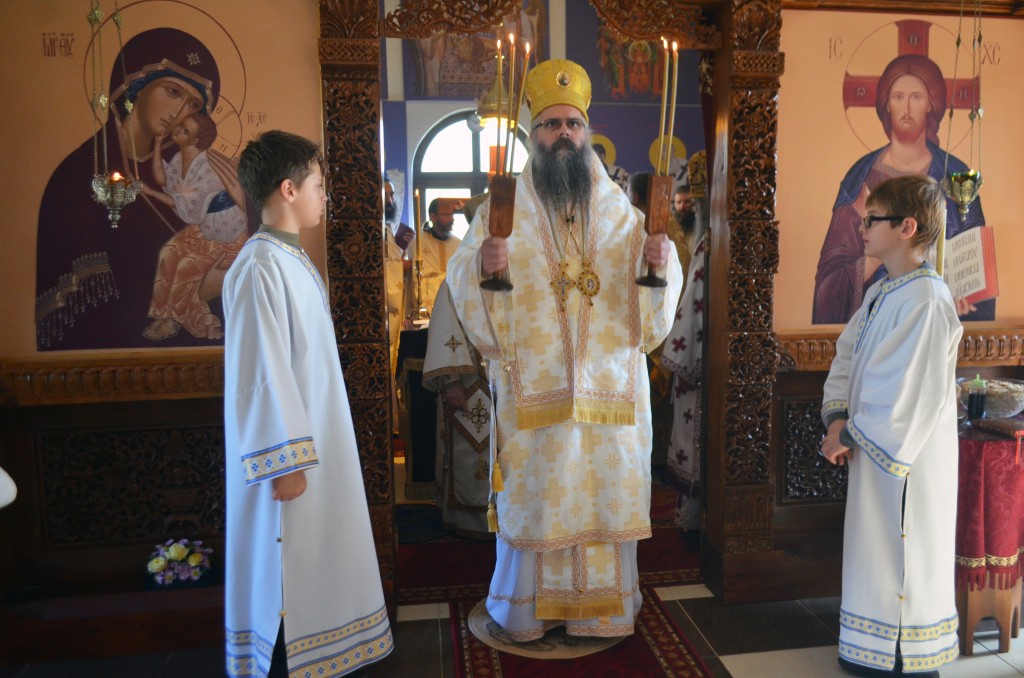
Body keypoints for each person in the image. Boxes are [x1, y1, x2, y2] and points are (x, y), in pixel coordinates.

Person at [446, 58, 682, 640]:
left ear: (586, 132)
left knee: (604, 498)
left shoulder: (623, 214)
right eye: (550, 125)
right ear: (534, 134)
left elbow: (652, 305)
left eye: (572, 124)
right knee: (536, 498)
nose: (563, 135)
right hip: (536, 395)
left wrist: (659, 264)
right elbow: (464, 279)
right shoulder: (502, 210)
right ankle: (528, 611)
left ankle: (602, 613)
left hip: (610, 397)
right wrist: (485, 266)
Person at [223, 130, 393, 677]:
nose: (325, 195)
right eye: (319, 185)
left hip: (318, 435)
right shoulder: (260, 266)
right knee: (289, 563)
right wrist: (285, 461)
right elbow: (260, 372)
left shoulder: (292, 260)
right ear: (289, 189)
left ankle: (325, 654)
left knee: (319, 555)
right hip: (291, 457)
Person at [820, 174, 961, 676]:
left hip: (906, 464)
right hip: (871, 449)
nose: (861, 228)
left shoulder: (927, 301)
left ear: (907, 227)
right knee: (874, 551)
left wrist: (848, 434)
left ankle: (904, 653)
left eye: (872, 219)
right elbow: (847, 355)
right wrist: (837, 417)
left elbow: (905, 393)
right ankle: (869, 647)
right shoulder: (883, 291)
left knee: (903, 549)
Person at [35, 27, 248, 350]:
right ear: (135, 86)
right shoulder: (77, 175)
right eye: (172, 91)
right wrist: (198, 290)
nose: (179, 113)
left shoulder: (190, 169)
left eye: (193, 104)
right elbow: (85, 307)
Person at [813, 54, 989, 325]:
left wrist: (962, 301)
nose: (907, 108)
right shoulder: (860, 177)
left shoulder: (956, 175)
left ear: (931, 104)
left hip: (935, 317)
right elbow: (829, 283)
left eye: (916, 97)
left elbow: (977, 269)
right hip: (875, 319)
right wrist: (874, 260)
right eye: (898, 97)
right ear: (886, 103)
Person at [141, 113, 248, 341]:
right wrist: (158, 143)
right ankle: (162, 314)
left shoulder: (209, 167)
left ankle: (172, 321)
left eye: (185, 130)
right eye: (181, 126)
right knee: (168, 252)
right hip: (205, 226)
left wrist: (149, 193)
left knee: (186, 266)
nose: (178, 130)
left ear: (195, 140)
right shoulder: (179, 158)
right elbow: (162, 179)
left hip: (226, 233)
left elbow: (185, 206)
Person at [662, 152, 708, 531]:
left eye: (697, 199)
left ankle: (697, 522)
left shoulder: (710, 244)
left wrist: (679, 360)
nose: (690, 206)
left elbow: (693, 306)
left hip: (701, 359)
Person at [405, 198, 460, 318]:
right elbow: (415, 281)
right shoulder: (418, 244)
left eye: (452, 215)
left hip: (454, 310)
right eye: (447, 215)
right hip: (427, 313)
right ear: (433, 217)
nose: (452, 219)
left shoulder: (459, 245)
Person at [383, 177, 406, 375]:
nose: (391, 200)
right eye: (387, 195)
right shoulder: (377, 230)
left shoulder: (386, 229)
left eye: (392, 195)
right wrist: (402, 265)